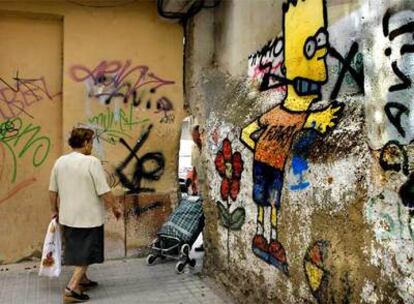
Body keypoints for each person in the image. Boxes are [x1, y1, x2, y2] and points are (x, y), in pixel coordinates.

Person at [49, 127, 122, 303]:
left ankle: (83, 280)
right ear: (85, 143)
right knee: (87, 252)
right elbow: (104, 190)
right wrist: (115, 207)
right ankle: (71, 288)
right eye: (91, 142)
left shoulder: (60, 162)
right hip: (88, 217)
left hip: (68, 216)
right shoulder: (92, 162)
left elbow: (52, 190)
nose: (92, 146)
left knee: (76, 249)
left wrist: (54, 210)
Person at [190, 125, 205, 252]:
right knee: (203, 213)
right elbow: (194, 166)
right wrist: (193, 181)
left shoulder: (207, 146)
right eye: (193, 136)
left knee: (206, 214)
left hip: (209, 184)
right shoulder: (194, 148)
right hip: (201, 183)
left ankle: (207, 242)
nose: (194, 138)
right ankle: (204, 241)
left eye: (195, 135)